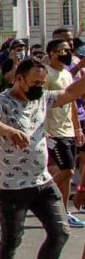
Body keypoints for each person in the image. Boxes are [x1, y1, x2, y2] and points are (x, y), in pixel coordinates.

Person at [0, 57, 85, 259]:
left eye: (43, 82)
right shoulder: (1, 101)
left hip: (42, 181)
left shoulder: (43, 98)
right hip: (10, 187)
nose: (40, 86)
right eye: (35, 82)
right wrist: (7, 129)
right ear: (19, 78)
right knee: (12, 241)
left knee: (60, 232)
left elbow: (72, 91)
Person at [42, 38, 85, 227]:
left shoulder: (67, 75)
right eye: (63, 50)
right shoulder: (46, 75)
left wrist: (77, 128)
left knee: (65, 175)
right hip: (53, 131)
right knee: (68, 169)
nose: (68, 52)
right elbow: (40, 105)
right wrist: (42, 129)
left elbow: (72, 100)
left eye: (69, 49)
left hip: (67, 129)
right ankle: (39, 195)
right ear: (52, 53)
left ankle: (63, 212)